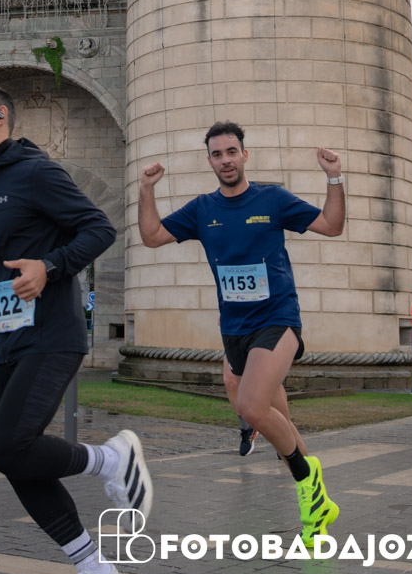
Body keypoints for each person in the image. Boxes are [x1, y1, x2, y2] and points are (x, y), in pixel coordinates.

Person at [0, 83, 147, 574]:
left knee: (5, 445)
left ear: (1, 116)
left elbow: (99, 228)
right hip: (10, 340)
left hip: (53, 334)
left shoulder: (36, 171)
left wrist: (50, 266)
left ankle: (111, 459)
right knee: (13, 456)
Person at [139, 120, 344, 548]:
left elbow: (331, 225)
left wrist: (333, 177)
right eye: (217, 154)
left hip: (278, 318)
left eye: (232, 151)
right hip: (234, 328)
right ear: (210, 161)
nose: (226, 160)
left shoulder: (272, 199)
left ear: (244, 155)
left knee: (251, 408)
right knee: (272, 415)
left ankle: (308, 484)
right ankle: (319, 502)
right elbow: (152, 236)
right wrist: (146, 189)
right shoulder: (202, 209)